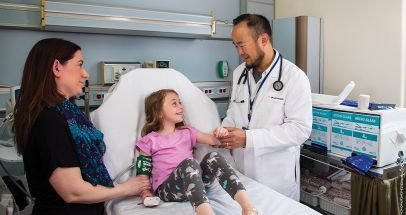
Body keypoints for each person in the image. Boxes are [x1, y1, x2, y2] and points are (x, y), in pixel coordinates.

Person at [13, 38, 151, 215]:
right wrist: (125, 188)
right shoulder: (49, 120)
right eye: (79, 64)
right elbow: (73, 192)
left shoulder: (68, 114)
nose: (85, 74)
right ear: (57, 67)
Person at [218, 14, 312, 201]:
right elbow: (234, 112)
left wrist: (248, 138)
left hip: (276, 180)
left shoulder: (294, 77)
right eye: (235, 46)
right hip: (241, 175)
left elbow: (300, 130)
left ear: (263, 39)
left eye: (242, 45)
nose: (239, 52)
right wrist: (225, 131)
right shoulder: (239, 74)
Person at [135, 89, 258, 215]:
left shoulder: (188, 132)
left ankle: (248, 208)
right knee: (189, 163)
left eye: (180, 102)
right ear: (159, 112)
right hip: (168, 189)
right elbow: (142, 173)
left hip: (195, 183)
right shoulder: (149, 140)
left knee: (213, 156)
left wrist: (221, 133)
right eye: (174, 103)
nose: (180, 106)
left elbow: (214, 141)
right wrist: (145, 193)